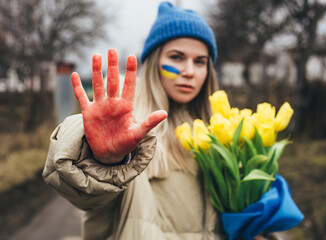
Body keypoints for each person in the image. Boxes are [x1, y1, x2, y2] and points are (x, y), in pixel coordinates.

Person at [43, 2, 277, 240]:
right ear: (155, 62)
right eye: (176, 57)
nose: (189, 71)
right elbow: (87, 195)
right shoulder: (133, 136)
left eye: (200, 61)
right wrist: (106, 161)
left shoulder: (223, 132)